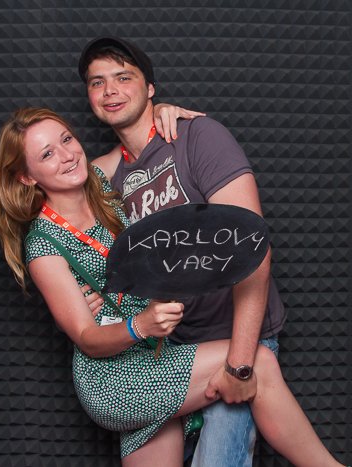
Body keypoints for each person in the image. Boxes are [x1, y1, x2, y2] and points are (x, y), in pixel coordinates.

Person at [0, 107, 352, 467]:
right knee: (257, 362)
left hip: (154, 355)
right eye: (47, 154)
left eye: (66, 139)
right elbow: (86, 338)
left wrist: (163, 111)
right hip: (114, 380)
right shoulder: (44, 245)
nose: (66, 155)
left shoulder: (99, 181)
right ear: (26, 176)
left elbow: (137, 135)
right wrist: (140, 325)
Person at [79, 36, 286, 467]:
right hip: (171, 351)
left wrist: (241, 365)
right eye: (97, 82)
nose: (110, 90)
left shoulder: (197, 136)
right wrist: (88, 290)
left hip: (237, 339)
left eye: (123, 77)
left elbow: (252, 247)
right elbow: (55, 207)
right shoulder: (103, 178)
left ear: (150, 87)